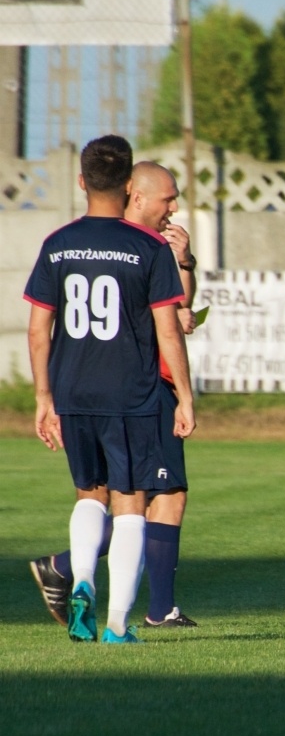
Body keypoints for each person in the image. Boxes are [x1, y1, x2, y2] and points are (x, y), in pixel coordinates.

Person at [25, 135, 193, 643]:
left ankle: (80, 585)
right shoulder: (148, 247)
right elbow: (169, 328)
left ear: (81, 182)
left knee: (88, 496)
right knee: (130, 501)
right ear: (127, 186)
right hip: (132, 393)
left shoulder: (57, 244)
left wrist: (43, 398)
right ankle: (118, 623)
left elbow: (38, 329)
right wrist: (184, 395)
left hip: (74, 391)